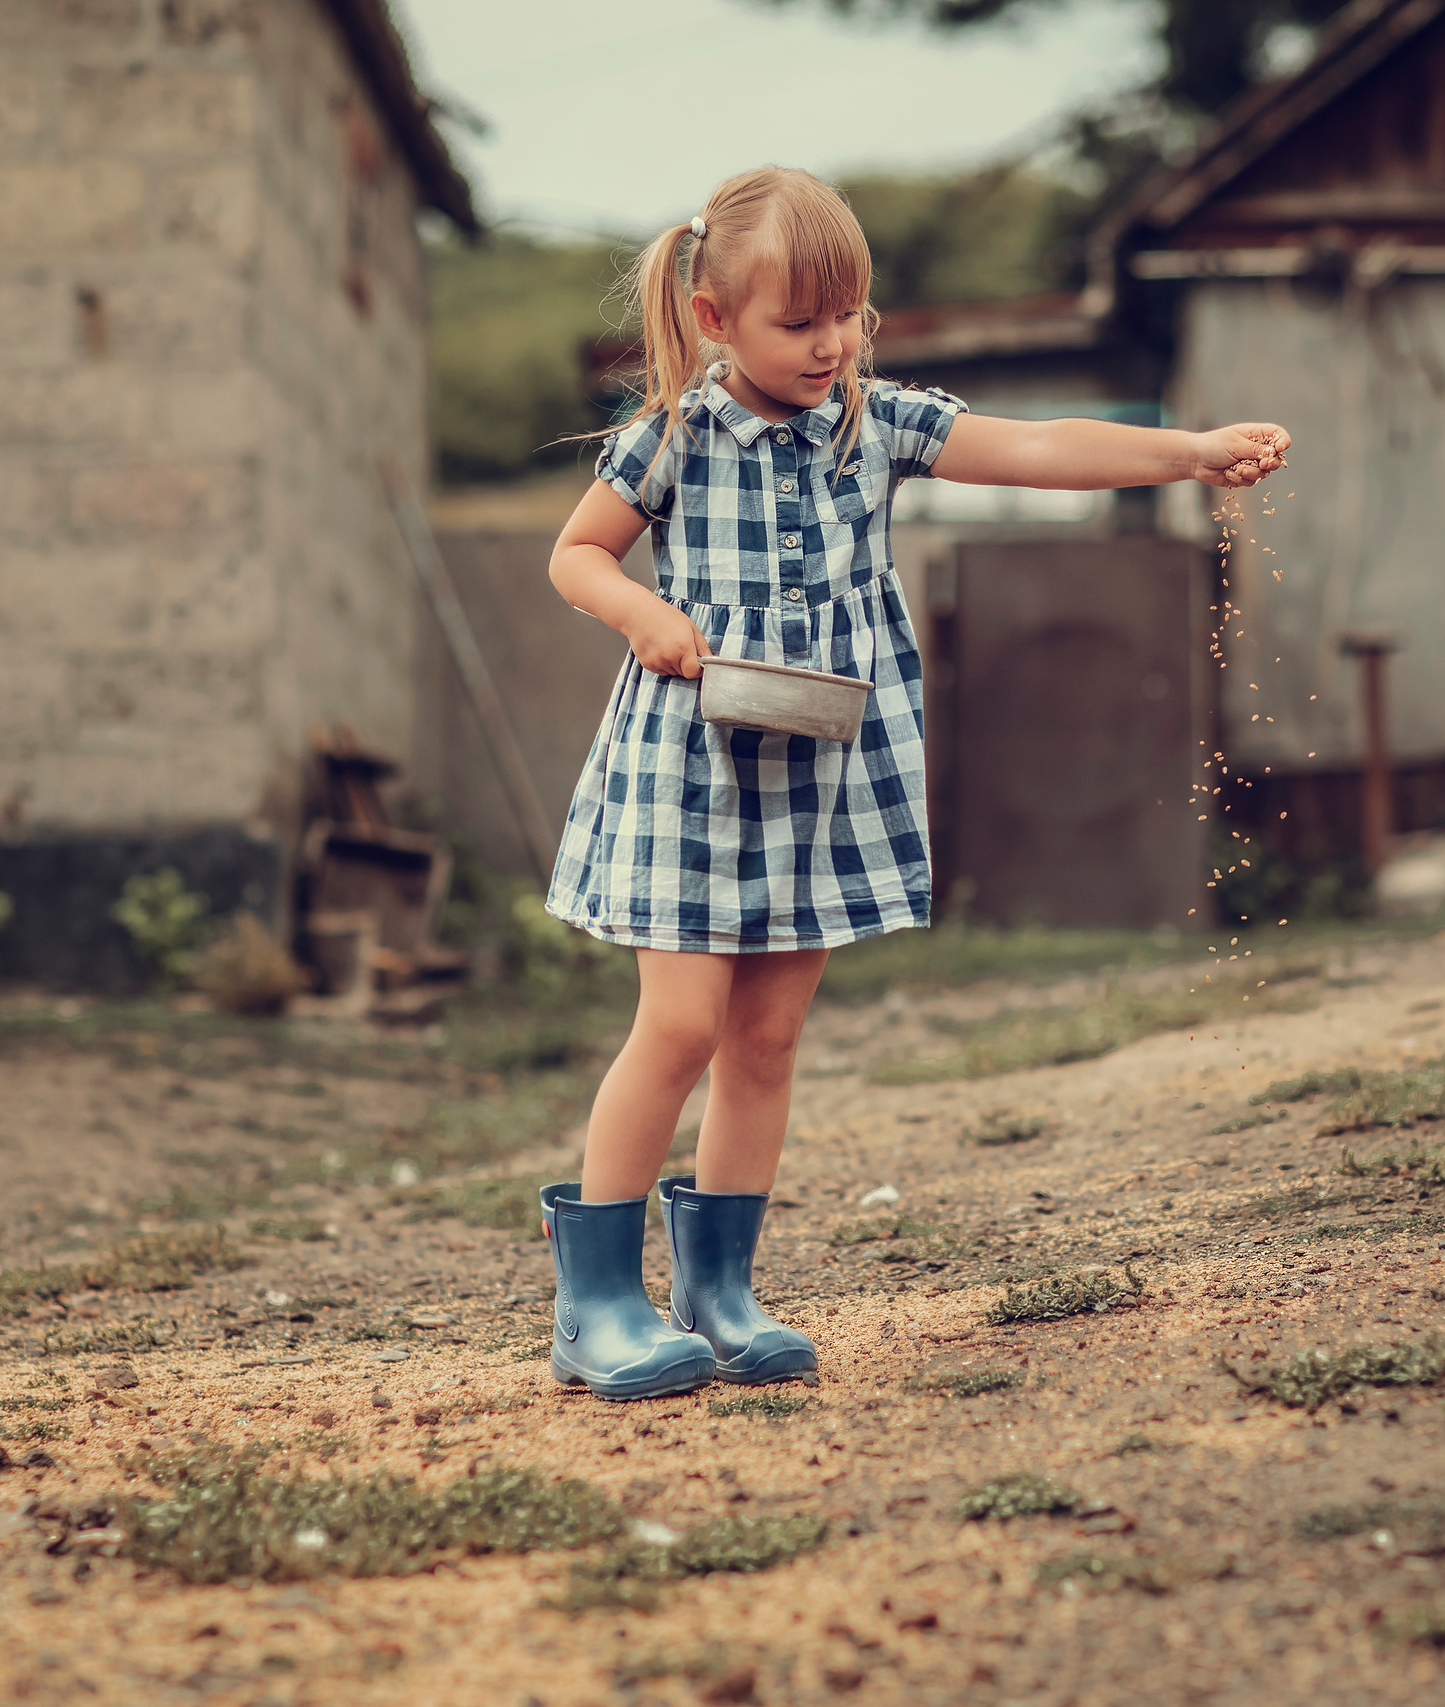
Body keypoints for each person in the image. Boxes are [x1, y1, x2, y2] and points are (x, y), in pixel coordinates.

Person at [535, 165, 1289, 1400]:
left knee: (767, 1039)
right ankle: (598, 1306)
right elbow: (575, 556)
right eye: (799, 323)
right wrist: (638, 613)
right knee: (677, 1026)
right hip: (693, 767)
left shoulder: (874, 424)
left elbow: (1040, 445)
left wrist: (1189, 451)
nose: (832, 345)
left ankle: (718, 1292)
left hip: (822, 767)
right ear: (718, 322)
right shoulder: (671, 436)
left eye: (849, 316)